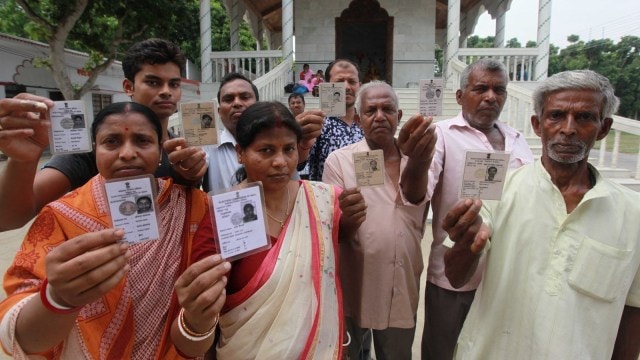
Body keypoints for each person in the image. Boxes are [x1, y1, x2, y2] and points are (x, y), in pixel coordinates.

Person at [0, 102, 228, 358]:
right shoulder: (62, 216)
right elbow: (20, 337)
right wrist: (58, 299)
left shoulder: (194, 207)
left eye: (142, 141)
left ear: (160, 149)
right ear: (95, 149)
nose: (128, 153)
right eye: (112, 142)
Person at [442, 70, 640, 359]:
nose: (568, 128)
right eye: (556, 115)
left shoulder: (632, 213)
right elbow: (456, 276)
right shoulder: (498, 191)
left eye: (585, 117)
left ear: (604, 127)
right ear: (538, 124)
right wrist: (465, 245)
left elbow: (632, 311)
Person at [0, 38, 207, 231]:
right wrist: (22, 161)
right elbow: (9, 217)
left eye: (174, 84)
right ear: (128, 86)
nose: (166, 91)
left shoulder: (183, 151)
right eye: (153, 82)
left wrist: (188, 179)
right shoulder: (91, 149)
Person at [194, 101, 344, 358]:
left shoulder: (323, 201)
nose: (280, 162)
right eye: (266, 150)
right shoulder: (223, 216)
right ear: (240, 153)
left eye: (288, 149)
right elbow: (204, 305)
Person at [421, 58, 533, 360]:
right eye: (481, 88)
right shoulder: (441, 134)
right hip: (454, 273)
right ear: (460, 96)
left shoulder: (517, 140)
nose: (490, 97)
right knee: (442, 351)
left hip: (507, 275)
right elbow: (420, 191)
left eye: (499, 90)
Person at [323, 81, 437, 360]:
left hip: (402, 280)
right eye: (371, 110)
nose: (380, 116)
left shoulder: (419, 160)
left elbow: (419, 199)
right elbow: (334, 230)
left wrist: (418, 161)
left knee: (397, 354)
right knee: (349, 354)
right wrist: (347, 217)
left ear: (399, 117)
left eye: (388, 109)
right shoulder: (339, 161)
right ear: (359, 119)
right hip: (356, 283)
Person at [203, 73, 323, 194]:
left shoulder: (283, 134)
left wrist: (302, 143)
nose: (237, 103)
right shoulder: (206, 148)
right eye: (229, 99)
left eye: (245, 97)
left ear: (257, 104)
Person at [0, 94, 54, 230]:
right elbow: (7, 219)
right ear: (95, 144)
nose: (118, 155)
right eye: (111, 141)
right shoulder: (84, 157)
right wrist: (23, 161)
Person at [307, 59, 364, 181]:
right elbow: (300, 164)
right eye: (340, 81)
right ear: (327, 85)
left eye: (352, 81)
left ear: (360, 85)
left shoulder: (368, 123)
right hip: (327, 198)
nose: (347, 87)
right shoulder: (317, 123)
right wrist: (301, 142)